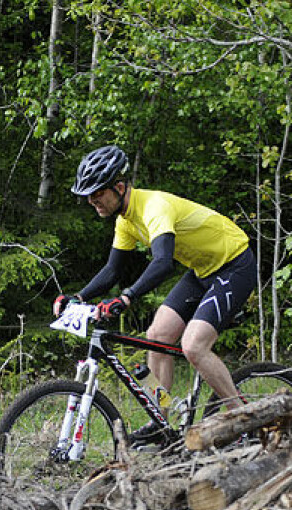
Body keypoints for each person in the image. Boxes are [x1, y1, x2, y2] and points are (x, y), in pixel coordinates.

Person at [53, 144, 256, 446]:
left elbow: (163, 262)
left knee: (193, 346)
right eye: (88, 196)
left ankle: (246, 421)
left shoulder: (154, 207)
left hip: (234, 264)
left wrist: (126, 298)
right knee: (157, 335)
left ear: (119, 187)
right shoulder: (125, 220)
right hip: (202, 269)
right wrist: (79, 297)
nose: (91, 201)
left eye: (97, 194)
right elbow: (112, 270)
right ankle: (162, 420)